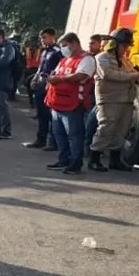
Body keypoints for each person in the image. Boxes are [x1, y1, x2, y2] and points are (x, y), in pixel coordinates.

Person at [88, 28, 139, 172]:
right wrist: (134, 76)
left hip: (126, 100)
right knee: (106, 128)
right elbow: (109, 75)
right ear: (114, 44)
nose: (125, 49)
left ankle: (115, 160)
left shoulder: (125, 61)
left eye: (127, 46)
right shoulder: (102, 58)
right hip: (109, 99)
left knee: (121, 130)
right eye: (124, 46)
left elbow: (132, 73)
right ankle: (94, 159)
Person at [45, 33, 95, 174]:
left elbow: (81, 76)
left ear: (74, 43)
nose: (63, 49)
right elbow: (54, 74)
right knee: (59, 134)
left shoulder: (86, 59)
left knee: (74, 135)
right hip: (57, 103)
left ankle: (75, 163)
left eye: (65, 45)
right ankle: (63, 160)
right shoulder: (65, 60)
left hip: (73, 105)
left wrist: (59, 79)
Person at [23, 28, 63, 150]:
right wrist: (35, 78)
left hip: (51, 86)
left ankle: (53, 142)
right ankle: (40, 139)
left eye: (44, 37)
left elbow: (60, 69)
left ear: (52, 37)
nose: (42, 40)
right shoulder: (45, 51)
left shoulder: (57, 52)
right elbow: (41, 67)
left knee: (51, 115)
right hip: (41, 85)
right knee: (41, 113)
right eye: (41, 38)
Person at [84, 34, 105, 151]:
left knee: (92, 121)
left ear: (99, 44)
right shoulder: (88, 57)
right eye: (89, 43)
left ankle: (89, 147)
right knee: (87, 119)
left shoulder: (102, 58)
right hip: (88, 92)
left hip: (97, 93)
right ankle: (86, 146)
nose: (90, 46)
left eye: (93, 43)